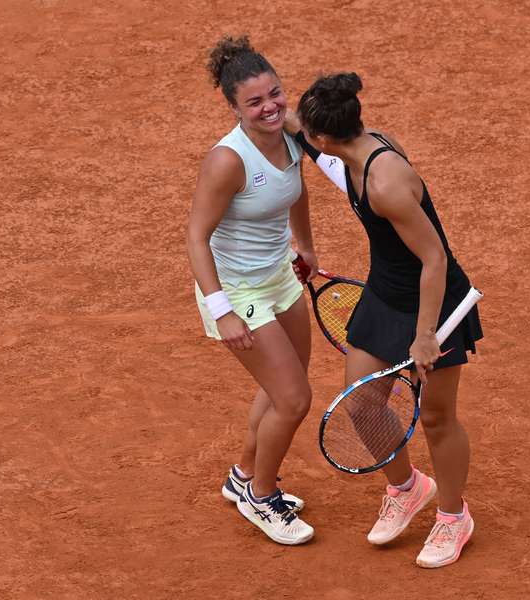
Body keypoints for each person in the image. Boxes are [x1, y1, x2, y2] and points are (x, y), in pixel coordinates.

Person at [287, 73, 483, 567]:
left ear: (324, 136)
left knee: (437, 419)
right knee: (362, 404)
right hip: (384, 294)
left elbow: (435, 259)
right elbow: (308, 143)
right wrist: (269, 114)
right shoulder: (348, 151)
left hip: (434, 303)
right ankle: (407, 487)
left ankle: (454, 517)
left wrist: (424, 336)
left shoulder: (386, 182)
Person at [185, 35, 319, 545]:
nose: (271, 107)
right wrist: (222, 310)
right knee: (293, 399)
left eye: (275, 93)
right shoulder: (227, 161)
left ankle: (242, 476)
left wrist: (303, 246)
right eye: (255, 102)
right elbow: (196, 236)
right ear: (235, 108)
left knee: (283, 385)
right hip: (235, 289)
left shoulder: (290, 133)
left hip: (279, 275)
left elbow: (297, 187)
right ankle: (262, 498)